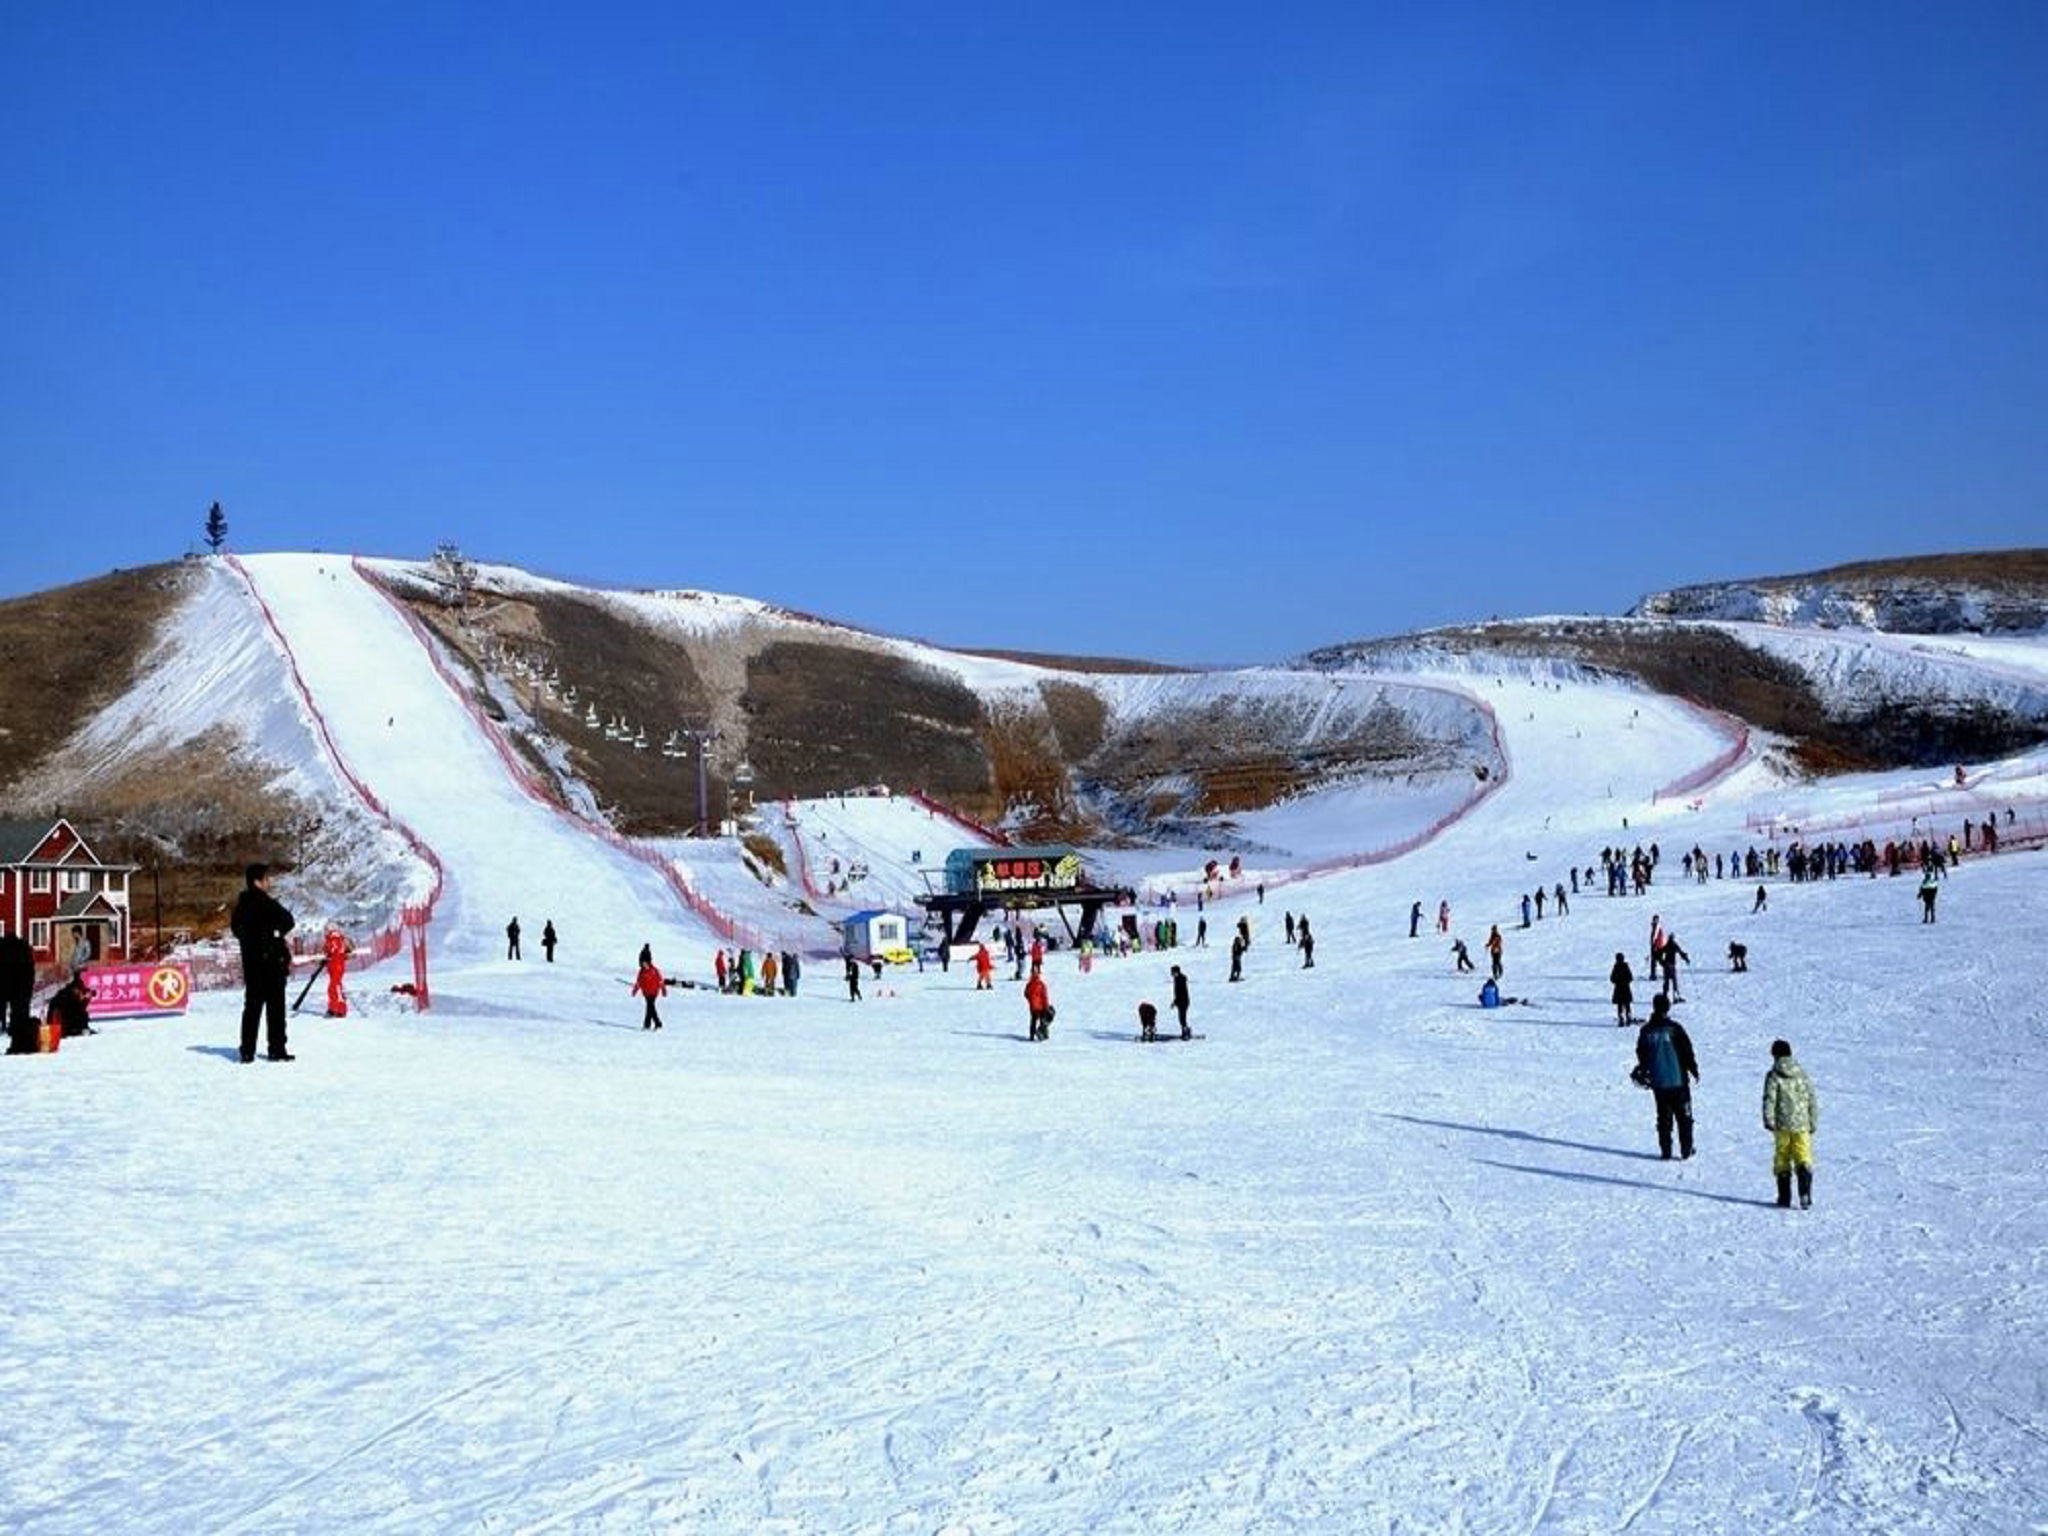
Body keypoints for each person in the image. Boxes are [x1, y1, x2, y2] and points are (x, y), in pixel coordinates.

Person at [232, 863, 296, 1062]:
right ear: (257, 882)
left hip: (253, 966)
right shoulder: (266, 904)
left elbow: (238, 930)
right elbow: (288, 920)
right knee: (274, 1009)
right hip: (271, 965)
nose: (269, 882)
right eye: (266, 879)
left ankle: (247, 1050)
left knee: (252, 1009)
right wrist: (273, 934)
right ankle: (276, 1049)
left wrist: (263, 935)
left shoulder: (241, 907)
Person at [1634, 995, 1699, 1160]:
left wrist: (1645, 1070)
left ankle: (1666, 1150)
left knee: (1663, 1118)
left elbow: (1641, 1054)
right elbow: (1686, 1051)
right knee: (1684, 1116)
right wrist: (1693, 1069)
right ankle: (1686, 1148)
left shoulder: (1646, 1030)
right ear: (1668, 1008)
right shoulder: (1675, 1029)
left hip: (1659, 1081)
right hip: (1678, 1080)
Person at [1761, 1039, 1818, 1209]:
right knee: (1803, 1156)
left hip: (1782, 1125)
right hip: (1802, 1125)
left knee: (1783, 1157)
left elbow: (1770, 1099)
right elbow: (1811, 1098)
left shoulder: (1773, 1075)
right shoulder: (1802, 1073)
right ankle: (1805, 1193)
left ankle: (1784, 1197)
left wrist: (1768, 1119)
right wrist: (1812, 1120)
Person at [1, 933, 35, 1055]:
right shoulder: (24, 948)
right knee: (21, 1014)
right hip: (24, 986)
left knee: (17, 1015)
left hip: (13, 985)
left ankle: (19, 1044)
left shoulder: (6, 950)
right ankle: (23, 1043)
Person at [48, 972, 94, 1037]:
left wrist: (84, 999)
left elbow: (82, 1007)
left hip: (71, 1024)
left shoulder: (76, 993)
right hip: (65, 1026)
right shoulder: (63, 996)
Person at [323, 926, 353, 1018]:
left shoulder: (334, 939)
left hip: (337, 967)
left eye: (326, 930)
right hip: (333, 967)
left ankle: (339, 1010)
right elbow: (328, 952)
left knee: (335, 988)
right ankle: (334, 1008)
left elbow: (335, 952)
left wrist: (329, 955)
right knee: (335, 987)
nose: (325, 932)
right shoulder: (331, 939)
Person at [634, 953, 667, 1029]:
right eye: (642, 963)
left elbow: (660, 981)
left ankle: (654, 1023)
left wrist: (663, 990)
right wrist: (635, 990)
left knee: (650, 1006)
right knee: (650, 1008)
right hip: (646, 992)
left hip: (653, 992)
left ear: (648, 962)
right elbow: (639, 982)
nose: (644, 965)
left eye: (645, 963)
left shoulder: (654, 970)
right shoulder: (641, 972)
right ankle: (651, 1024)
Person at [1024, 970, 1053, 1041]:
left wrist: (1030, 1000)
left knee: (1033, 1021)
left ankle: (1032, 1035)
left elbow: (1026, 994)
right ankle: (1044, 1034)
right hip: (1041, 1007)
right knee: (1043, 1020)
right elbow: (1044, 996)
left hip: (1033, 1007)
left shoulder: (1029, 985)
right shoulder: (1041, 984)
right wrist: (1046, 1005)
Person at [1610, 952, 1635, 1026]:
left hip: (1618, 989)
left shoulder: (1616, 967)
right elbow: (1630, 977)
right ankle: (1628, 1017)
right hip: (1626, 988)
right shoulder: (1626, 966)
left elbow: (1612, 978)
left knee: (1620, 1005)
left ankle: (1621, 1018)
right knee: (1627, 1004)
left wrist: (1617, 981)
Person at [1170, 965, 1191, 1038]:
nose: (1171, 974)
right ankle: (1185, 1030)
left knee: (1182, 1018)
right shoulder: (1177, 979)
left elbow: (1180, 993)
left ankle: (1186, 1031)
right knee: (1181, 1018)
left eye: (1172, 972)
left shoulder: (1180, 980)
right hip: (1180, 1001)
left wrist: (1175, 1002)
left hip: (1183, 1001)